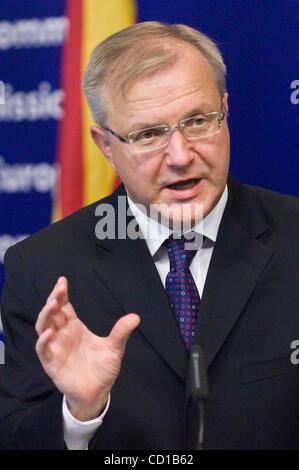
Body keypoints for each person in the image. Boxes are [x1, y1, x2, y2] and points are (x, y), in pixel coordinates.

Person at [0, 21, 298, 451]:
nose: (180, 156)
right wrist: (79, 413)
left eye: (197, 121)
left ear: (226, 110)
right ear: (105, 146)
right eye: (149, 134)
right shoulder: (42, 268)